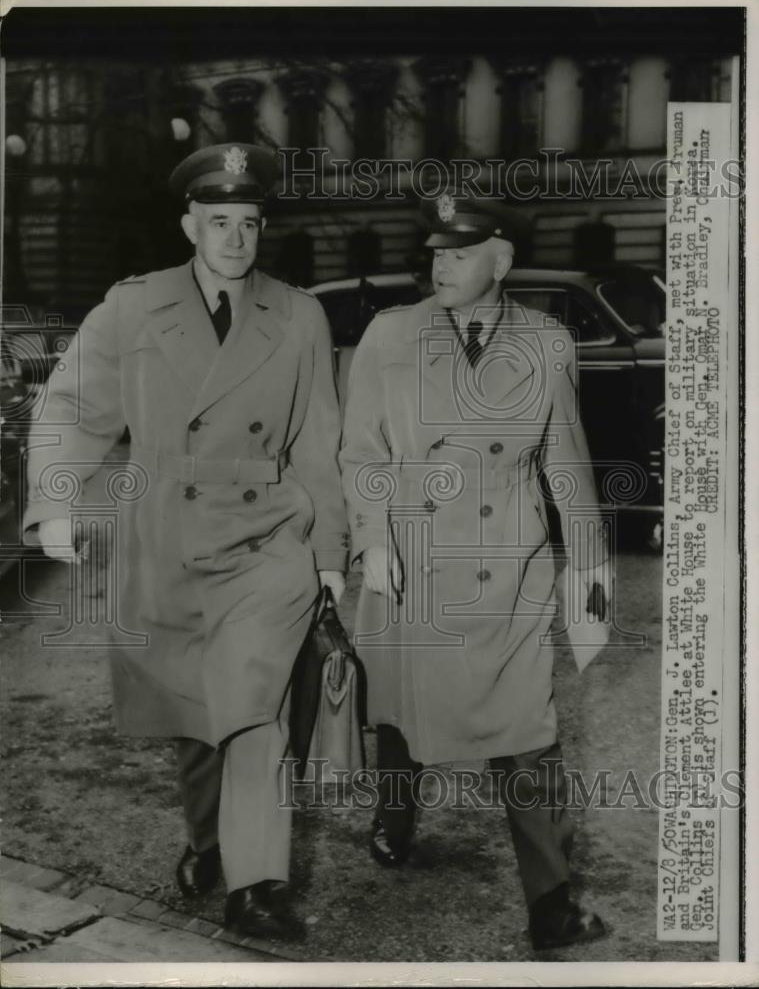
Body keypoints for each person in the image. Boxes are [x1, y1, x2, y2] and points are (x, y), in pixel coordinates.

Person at [24, 143, 348, 940]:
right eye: (218, 222)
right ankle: (212, 844)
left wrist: (332, 556)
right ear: (189, 224)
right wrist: (57, 500)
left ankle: (258, 883)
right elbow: (73, 406)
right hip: (165, 536)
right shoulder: (133, 307)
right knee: (199, 715)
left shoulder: (299, 313)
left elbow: (318, 444)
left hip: (267, 534)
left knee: (254, 708)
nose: (235, 239)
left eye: (248, 223)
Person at [339, 191, 611, 951]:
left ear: (502, 259)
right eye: (433, 252)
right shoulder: (389, 335)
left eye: (459, 253)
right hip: (410, 555)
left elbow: (566, 461)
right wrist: (372, 541)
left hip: (507, 562)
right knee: (398, 715)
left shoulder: (549, 341)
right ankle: (395, 816)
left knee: (528, 731)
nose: (440, 265)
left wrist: (585, 569)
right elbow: (360, 452)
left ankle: (551, 902)